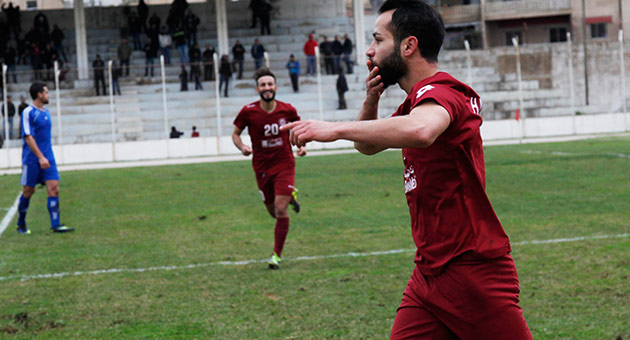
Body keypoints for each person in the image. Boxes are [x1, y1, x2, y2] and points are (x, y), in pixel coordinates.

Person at [280, 1, 533, 339]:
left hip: (472, 271)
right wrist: (371, 102)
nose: (370, 51)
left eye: (377, 40)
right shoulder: (415, 102)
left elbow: (421, 131)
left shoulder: (443, 93)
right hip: (429, 272)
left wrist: (334, 128)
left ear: (408, 45)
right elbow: (368, 145)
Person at [232, 67, 306, 270]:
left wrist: (301, 147)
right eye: (263, 85)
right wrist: (242, 147)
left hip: (284, 164)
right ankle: (291, 196)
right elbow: (236, 134)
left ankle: (276, 255)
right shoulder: (248, 112)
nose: (267, 88)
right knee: (274, 212)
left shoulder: (287, 110)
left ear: (275, 87)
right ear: (258, 88)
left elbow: (299, 130)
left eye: (270, 84)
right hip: (261, 167)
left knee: (281, 210)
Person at [17, 82, 75, 234]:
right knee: (28, 191)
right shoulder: (28, 112)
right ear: (39, 95)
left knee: (54, 188)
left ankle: (55, 224)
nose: (48, 95)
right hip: (32, 159)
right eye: (46, 92)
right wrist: (40, 157)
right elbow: (28, 137)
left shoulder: (46, 112)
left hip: (48, 157)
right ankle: (21, 223)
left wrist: (46, 157)